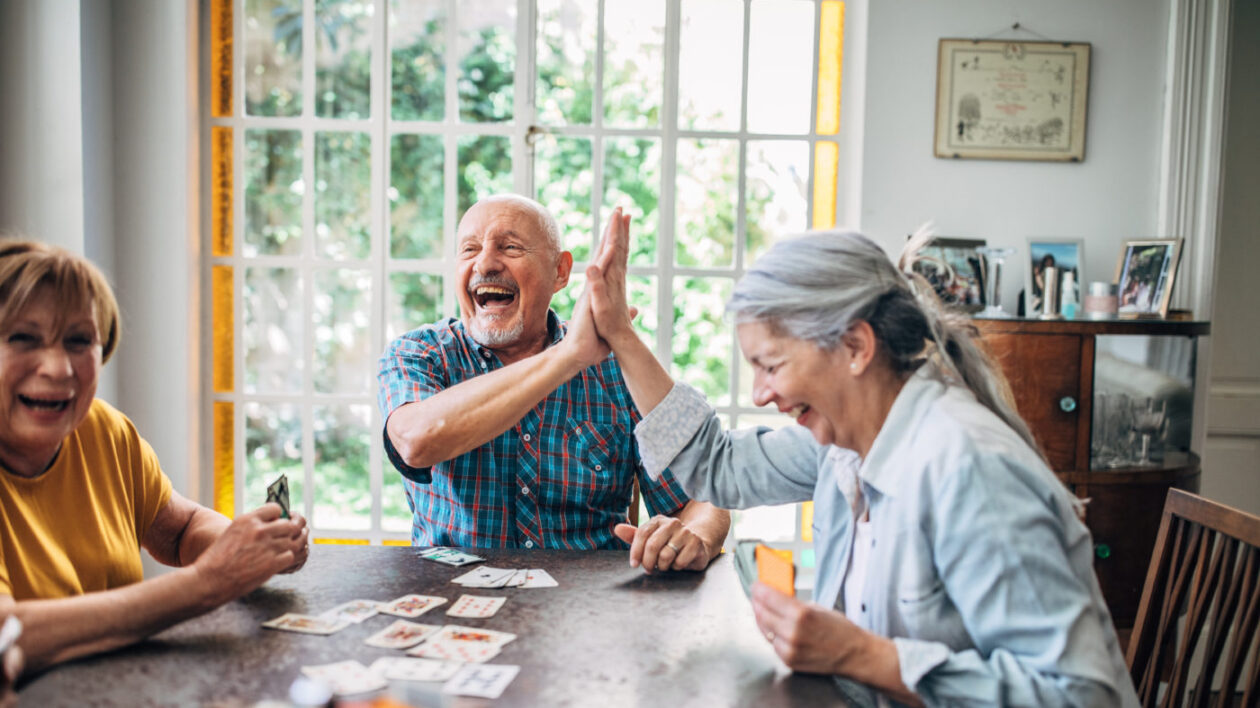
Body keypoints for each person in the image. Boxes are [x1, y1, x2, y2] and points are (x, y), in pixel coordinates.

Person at [581, 223, 1139, 706]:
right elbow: (718, 464)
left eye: (771, 365)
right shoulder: (844, 442)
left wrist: (860, 655)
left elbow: (1081, 695)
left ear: (855, 347)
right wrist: (621, 337)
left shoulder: (970, 471)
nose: (759, 394)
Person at [0, 239, 310, 676]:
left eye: (78, 341)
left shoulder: (102, 429)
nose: (59, 368)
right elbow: (9, 636)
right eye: (23, 339)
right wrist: (208, 582)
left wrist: (246, 550)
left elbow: (181, 530)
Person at [377, 195, 728, 572]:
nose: (485, 262)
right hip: (451, 602)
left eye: (510, 247)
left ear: (560, 272)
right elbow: (415, 442)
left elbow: (702, 496)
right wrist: (568, 356)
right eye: (469, 249)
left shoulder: (619, 371)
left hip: (587, 608)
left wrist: (696, 537)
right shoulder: (419, 353)